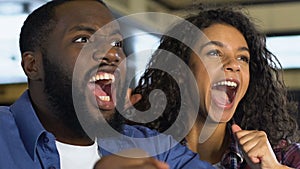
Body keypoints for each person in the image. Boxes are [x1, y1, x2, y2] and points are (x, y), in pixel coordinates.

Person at [0, 0, 215, 169]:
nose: (113, 54)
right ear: (32, 65)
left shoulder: (152, 148)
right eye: (83, 39)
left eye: (116, 43)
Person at [132, 6, 300, 169]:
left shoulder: (282, 155)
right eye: (214, 53)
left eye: (242, 57)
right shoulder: (142, 148)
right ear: (181, 70)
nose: (234, 64)